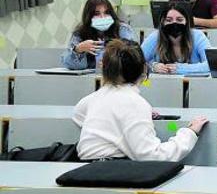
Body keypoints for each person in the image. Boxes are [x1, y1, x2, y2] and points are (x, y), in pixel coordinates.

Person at [74, 39, 208, 161]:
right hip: (112, 173)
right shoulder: (135, 103)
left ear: (104, 68)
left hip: (87, 168)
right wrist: (189, 133)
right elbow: (154, 157)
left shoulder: (93, 98)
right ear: (144, 69)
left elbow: (78, 115)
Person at [62, 0, 137, 70]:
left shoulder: (122, 29)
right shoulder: (80, 32)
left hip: (118, 77)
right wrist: (78, 49)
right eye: (97, 13)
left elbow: (133, 57)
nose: (102, 17)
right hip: (88, 78)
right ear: (89, 16)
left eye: (106, 12)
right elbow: (69, 64)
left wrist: (112, 63)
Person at [141, 3, 212, 75]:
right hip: (162, 83)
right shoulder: (155, 36)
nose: (174, 23)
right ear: (163, 22)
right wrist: (153, 67)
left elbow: (211, 64)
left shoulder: (198, 36)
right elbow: (136, 61)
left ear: (186, 22)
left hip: (194, 84)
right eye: (169, 20)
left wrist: (180, 68)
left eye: (179, 20)